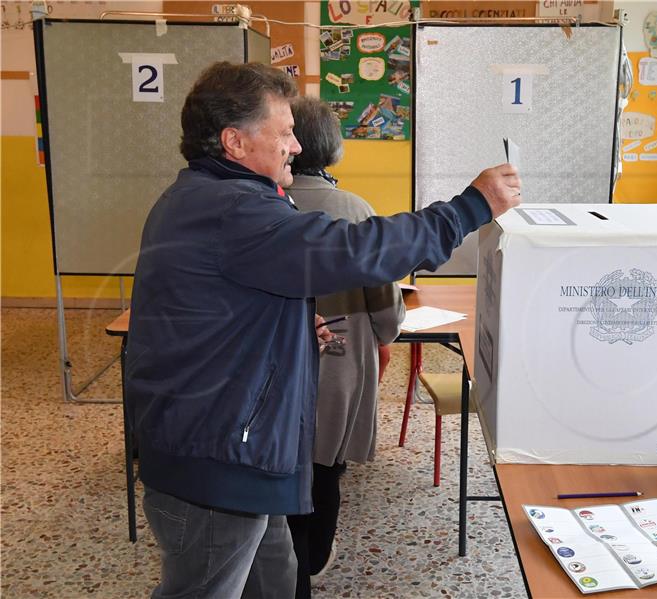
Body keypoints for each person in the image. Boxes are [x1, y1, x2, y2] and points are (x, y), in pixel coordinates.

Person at [125, 61, 520, 599]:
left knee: (280, 578)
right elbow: (357, 251)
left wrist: (280, 326)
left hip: (234, 448)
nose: (294, 145)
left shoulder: (205, 197)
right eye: (284, 132)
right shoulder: (234, 210)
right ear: (234, 141)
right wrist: (470, 207)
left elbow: (215, 306)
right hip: (216, 462)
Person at [283, 96, 406, 597]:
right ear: (334, 149)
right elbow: (386, 310)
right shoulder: (354, 209)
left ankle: (282, 560)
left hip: (276, 359)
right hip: (339, 357)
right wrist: (386, 332)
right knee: (326, 466)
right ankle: (313, 561)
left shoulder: (265, 201)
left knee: (283, 460)